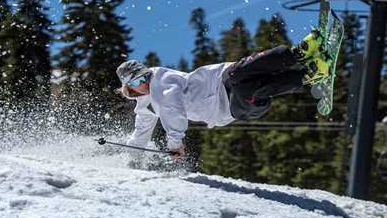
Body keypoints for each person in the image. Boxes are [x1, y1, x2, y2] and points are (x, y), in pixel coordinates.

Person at [116, 31, 328, 159]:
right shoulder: (145, 108)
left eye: (143, 76)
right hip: (225, 108)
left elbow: (173, 108)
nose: (143, 83)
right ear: (129, 88)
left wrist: (175, 144)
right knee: (250, 89)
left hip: (219, 78)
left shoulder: (160, 78)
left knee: (242, 70)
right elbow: (140, 136)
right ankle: (308, 75)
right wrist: (130, 159)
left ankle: (298, 53)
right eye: (136, 82)